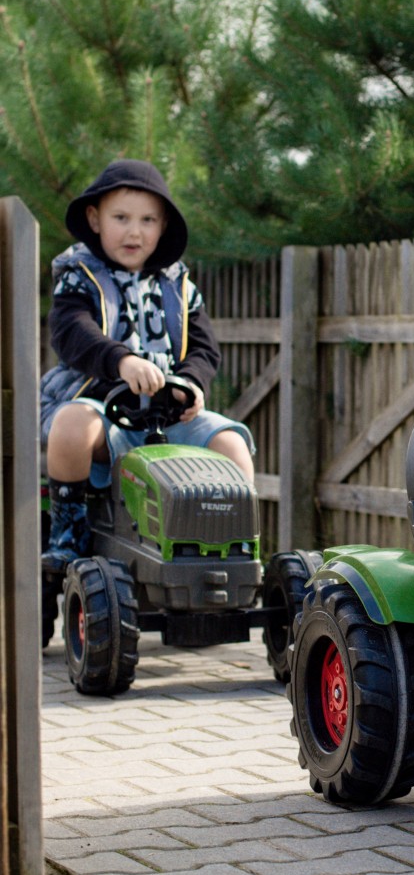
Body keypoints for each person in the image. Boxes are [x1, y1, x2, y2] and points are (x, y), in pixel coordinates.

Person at [40, 159, 255, 568]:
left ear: (163, 226)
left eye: (148, 220)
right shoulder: (79, 276)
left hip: (170, 416)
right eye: (121, 218)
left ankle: (234, 541)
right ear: (95, 219)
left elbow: (204, 349)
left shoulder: (179, 285)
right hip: (105, 412)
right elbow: (71, 332)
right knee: (70, 425)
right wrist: (121, 361)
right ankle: (68, 531)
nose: (134, 232)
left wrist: (192, 383)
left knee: (232, 443)